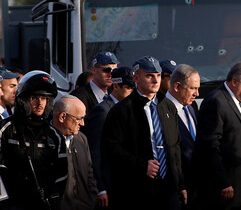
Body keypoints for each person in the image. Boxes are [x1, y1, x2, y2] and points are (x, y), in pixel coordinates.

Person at [101, 56, 187, 210]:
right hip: (137, 189)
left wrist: (180, 184)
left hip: (168, 187)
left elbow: (175, 148)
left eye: (159, 76)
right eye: (149, 76)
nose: (156, 81)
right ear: (136, 78)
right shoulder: (121, 110)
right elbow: (111, 149)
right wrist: (141, 165)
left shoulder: (168, 107)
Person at [192, 61, 241, 209]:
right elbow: (209, 145)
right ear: (235, 82)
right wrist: (222, 181)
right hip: (227, 189)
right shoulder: (216, 101)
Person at [0, 70, 68, 210]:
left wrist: (52, 200)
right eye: (34, 97)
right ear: (23, 99)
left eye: (44, 98)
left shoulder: (55, 136)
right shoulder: (5, 130)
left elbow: (62, 174)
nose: (40, 103)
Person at [86, 66, 135, 209]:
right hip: (110, 185)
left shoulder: (130, 108)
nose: (132, 91)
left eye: (134, 87)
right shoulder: (102, 111)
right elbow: (95, 152)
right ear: (116, 86)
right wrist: (100, 187)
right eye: (128, 87)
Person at [52, 95, 98, 210]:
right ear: (62, 117)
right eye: (79, 118)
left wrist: (91, 199)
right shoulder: (45, 141)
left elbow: (89, 174)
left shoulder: (81, 139)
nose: (82, 123)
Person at [166, 64, 200, 209]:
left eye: (198, 88)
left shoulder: (191, 108)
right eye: (193, 88)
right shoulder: (160, 110)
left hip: (197, 188)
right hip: (176, 191)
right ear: (177, 86)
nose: (197, 94)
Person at [71, 51, 119, 117]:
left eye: (114, 70)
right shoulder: (79, 96)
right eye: (106, 69)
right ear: (94, 70)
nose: (111, 74)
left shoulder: (116, 93)